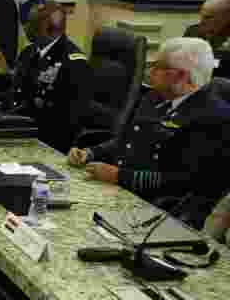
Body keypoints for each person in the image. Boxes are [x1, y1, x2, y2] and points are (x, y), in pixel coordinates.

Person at [68, 37, 230, 228]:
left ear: (181, 76)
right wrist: (90, 153)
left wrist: (120, 176)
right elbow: (126, 141)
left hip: (160, 211)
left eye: (158, 66)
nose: (150, 71)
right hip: (120, 193)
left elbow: (183, 182)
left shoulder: (212, 117)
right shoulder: (154, 98)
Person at [9, 1, 91, 153]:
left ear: (49, 30)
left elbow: (70, 119)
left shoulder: (74, 63)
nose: (26, 28)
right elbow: (17, 94)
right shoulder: (29, 52)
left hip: (48, 141)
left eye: (32, 24)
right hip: (19, 130)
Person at [184, 0, 230, 79]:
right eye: (201, 17)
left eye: (208, 17)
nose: (202, 22)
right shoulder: (193, 32)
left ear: (227, 17)